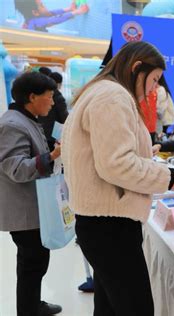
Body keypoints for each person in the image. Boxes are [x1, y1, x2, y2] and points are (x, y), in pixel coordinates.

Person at [61, 41, 174, 315]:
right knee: (136, 307)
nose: (154, 88)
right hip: (110, 226)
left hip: (102, 221)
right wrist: (167, 176)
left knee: (109, 305)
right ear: (136, 68)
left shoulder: (100, 92)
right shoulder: (113, 97)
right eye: (153, 80)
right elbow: (117, 164)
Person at [0, 72, 62, 316]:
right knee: (31, 264)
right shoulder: (12, 124)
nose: (53, 102)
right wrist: (52, 157)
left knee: (35, 263)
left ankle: (33, 304)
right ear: (32, 97)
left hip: (33, 208)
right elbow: (15, 168)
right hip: (24, 211)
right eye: (49, 96)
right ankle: (28, 310)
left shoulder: (26, 119)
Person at [38, 71, 69, 151]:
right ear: (58, 83)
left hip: (41, 129)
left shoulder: (41, 93)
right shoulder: (58, 97)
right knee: (51, 153)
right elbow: (64, 116)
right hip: (54, 131)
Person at [15, 0, 89, 32]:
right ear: (35, 12)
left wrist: (68, 9)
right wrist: (77, 12)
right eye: (42, 5)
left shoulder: (31, 16)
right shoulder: (36, 22)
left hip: (38, 29)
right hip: (40, 41)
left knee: (47, 18)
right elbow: (55, 20)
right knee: (49, 21)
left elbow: (49, 14)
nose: (44, 6)